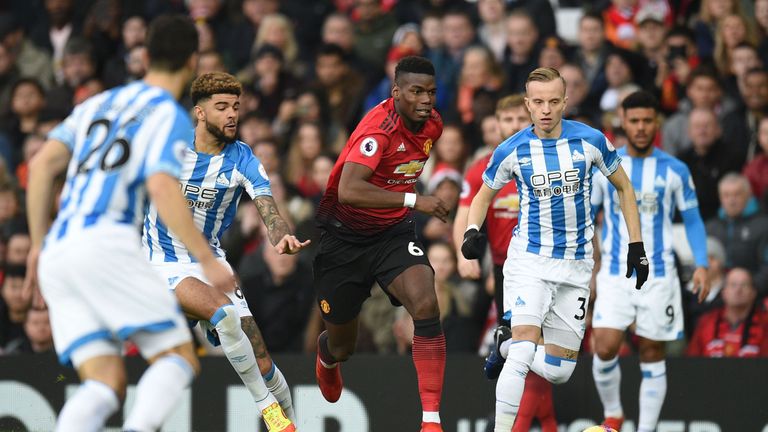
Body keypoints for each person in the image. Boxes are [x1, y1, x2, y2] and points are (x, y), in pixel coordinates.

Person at [23, 15, 235, 432]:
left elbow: (42, 165)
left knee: (106, 383)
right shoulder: (168, 115)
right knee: (178, 358)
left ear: (148, 55)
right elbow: (160, 185)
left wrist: (36, 244)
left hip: (58, 252)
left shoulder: (97, 103)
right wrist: (207, 259)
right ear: (193, 60)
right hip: (107, 243)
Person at [461, 67, 649, 431]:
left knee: (560, 372)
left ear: (565, 101)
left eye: (553, 101)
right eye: (538, 102)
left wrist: (636, 245)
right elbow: (483, 195)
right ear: (528, 104)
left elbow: (624, 188)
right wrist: (471, 231)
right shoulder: (512, 149)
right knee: (524, 349)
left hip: (576, 266)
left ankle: (502, 344)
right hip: (529, 259)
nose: (545, 109)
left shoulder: (592, 141)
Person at [142, 72, 308, 431]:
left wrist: (280, 234)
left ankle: (291, 422)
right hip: (161, 261)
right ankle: (267, 408)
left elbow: (267, 206)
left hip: (211, 261)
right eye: (221, 107)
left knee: (262, 360)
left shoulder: (242, 159)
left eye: (235, 106)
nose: (232, 114)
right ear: (199, 113)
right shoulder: (170, 146)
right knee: (224, 314)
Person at [313, 56, 449, 432]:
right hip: (344, 239)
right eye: (416, 91)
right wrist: (415, 200)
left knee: (425, 301)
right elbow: (349, 189)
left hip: (391, 234)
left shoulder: (432, 125)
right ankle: (327, 358)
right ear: (396, 93)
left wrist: (406, 205)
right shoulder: (378, 132)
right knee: (343, 346)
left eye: (431, 92)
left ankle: (431, 421)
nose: (426, 100)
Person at [590, 91, 711, 432]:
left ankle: (646, 429)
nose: (641, 128)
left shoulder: (675, 170)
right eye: (635, 121)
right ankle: (613, 413)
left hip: (659, 276)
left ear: (656, 123)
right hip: (615, 274)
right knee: (605, 345)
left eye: (647, 121)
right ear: (623, 122)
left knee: (653, 350)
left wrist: (701, 263)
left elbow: (693, 219)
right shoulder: (606, 168)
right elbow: (590, 214)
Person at [686, 268, 768, 357]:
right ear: (723, 292)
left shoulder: (765, 324)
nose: (738, 290)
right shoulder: (706, 322)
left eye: (744, 285)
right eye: (733, 285)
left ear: (753, 293)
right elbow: (691, 360)